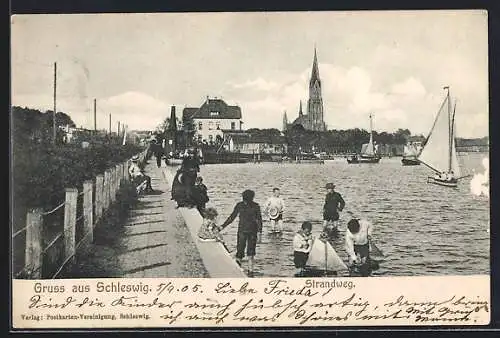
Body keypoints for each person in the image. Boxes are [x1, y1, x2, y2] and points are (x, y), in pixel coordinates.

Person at [219, 189, 263, 276]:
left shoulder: (239, 205)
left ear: (243, 197)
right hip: (252, 232)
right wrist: (259, 233)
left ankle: (238, 269)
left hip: (242, 230)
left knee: (240, 251)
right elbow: (259, 221)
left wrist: (222, 226)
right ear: (252, 197)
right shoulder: (256, 206)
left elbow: (232, 217)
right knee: (251, 253)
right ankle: (251, 271)